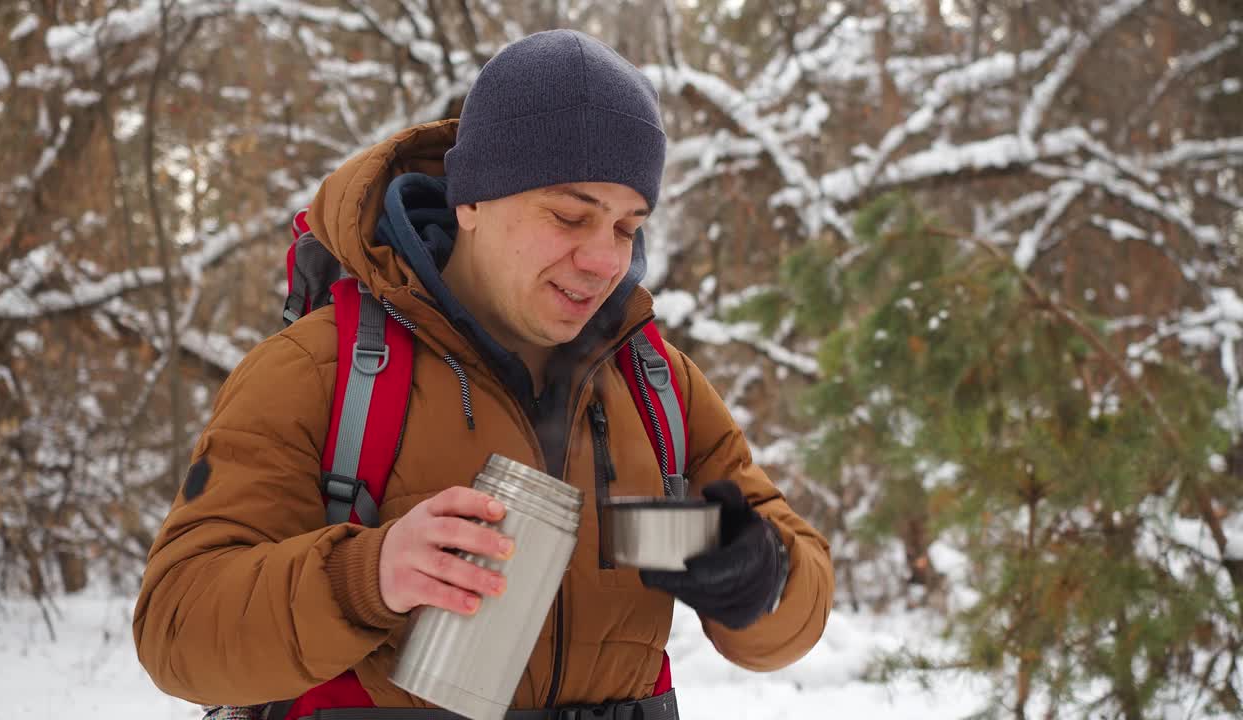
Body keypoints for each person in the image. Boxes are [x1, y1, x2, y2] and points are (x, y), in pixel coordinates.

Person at [133, 29, 835, 719]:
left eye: (627, 226)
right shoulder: (325, 369)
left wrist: (759, 576)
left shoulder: (657, 384)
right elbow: (176, 628)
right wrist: (366, 577)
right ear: (471, 201)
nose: (604, 259)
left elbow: (795, 593)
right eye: (569, 215)